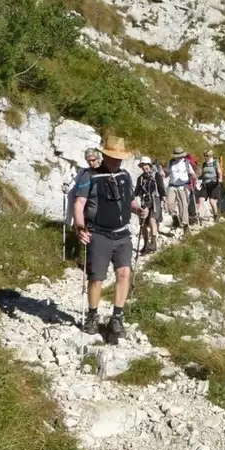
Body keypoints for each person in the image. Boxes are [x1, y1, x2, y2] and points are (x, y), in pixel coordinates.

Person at [73, 137, 148, 342]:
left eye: (120, 158)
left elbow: (130, 200)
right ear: (104, 155)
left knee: (124, 273)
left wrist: (138, 209)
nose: (117, 161)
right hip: (98, 233)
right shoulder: (90, 176)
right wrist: (80, 227)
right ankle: (93, 315)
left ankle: (117, 316)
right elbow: (79, 204)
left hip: (122, 233)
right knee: (96, 277)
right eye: (113, 157)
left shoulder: (124, 175)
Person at [134, 156, 166, 254]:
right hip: (145, 200)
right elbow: (137, 191)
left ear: (149, 165)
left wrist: (163, 198)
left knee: (152, 219)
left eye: (146, 165)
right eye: (142, 166)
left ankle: (153, 243)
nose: (144, 167)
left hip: (155, 199)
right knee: (143, 223)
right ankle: (146, 244)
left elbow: (161, 188)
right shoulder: (140, 178)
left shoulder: (156, 175)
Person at [166, 147, 196, 229]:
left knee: (183, 205)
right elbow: (167, 173)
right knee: (169, 203)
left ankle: (185, 224)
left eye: (179, 155)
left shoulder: (186, 163)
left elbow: (194, 175)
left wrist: (193, 177)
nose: (178, 157)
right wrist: (163, 173)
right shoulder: (171, 163)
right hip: (172, 185)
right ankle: (174, 217)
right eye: (177, 155)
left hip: (183, 186)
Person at [198, 149, 223, 221]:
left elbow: (219, 172)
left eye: (207, 156)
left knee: (211, 200)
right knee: (201, 199)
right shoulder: (204, 164)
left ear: (210, 156)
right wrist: (198, 178)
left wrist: (220, 179)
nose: (205, 157)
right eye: (204, 155)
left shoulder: (215, 163)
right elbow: (203, 173)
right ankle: (198, 214)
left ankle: (216, 214)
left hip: (214, 184)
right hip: (205, 184)